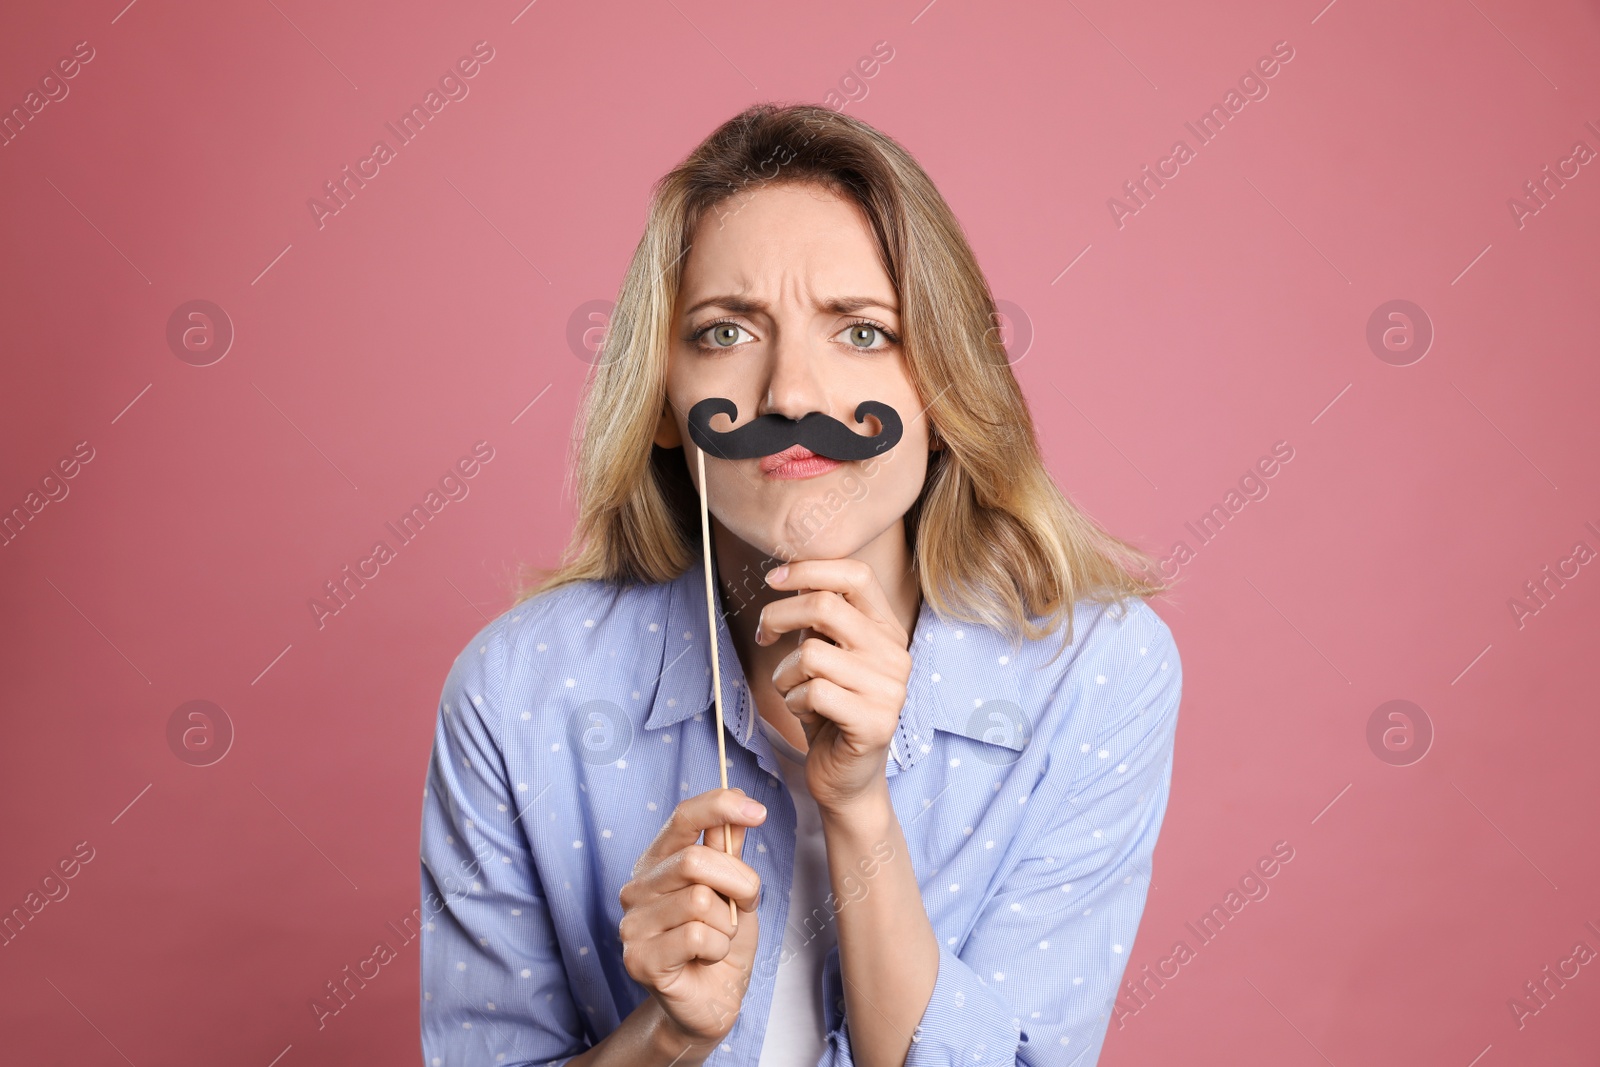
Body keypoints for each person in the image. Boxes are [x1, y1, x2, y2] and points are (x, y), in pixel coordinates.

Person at [419, 102, 1182, 1067]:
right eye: (727, 331)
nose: (790, 396)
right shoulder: (516, 695)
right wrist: (661, 1038)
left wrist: (858, 806)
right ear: (663, 401)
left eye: (861, 333)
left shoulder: (1092, 675)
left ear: (942, 388)